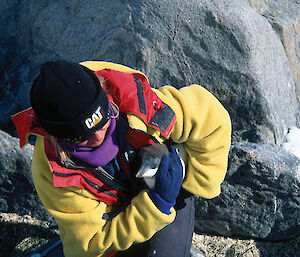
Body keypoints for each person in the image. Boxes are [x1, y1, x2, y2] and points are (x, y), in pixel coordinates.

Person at [11, 60, 231, 257]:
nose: (99, 136)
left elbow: (212, 121)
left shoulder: (136, 101)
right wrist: (155, 207)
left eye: (105, 118)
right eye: (82, 136)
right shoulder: (54, 172)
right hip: (117, 218)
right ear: (57, 138)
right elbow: (90, 244)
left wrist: (191, 183)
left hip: (171, 191)